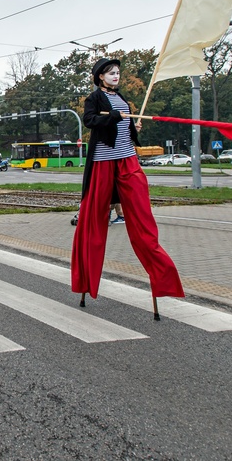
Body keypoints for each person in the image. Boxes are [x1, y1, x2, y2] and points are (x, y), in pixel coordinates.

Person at [71, 57, 184, 301]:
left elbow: (124, 125)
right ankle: (86, 281)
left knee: (142, 215)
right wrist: (113, 117)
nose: (116, 76)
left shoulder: (122, 99)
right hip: (103, 162)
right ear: (100, 76)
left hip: (128, 160)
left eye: (118, 72)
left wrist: (134, 127)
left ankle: (162, 278)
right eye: (111, 73)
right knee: (93, 219)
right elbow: (91, 121)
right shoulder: (95, 99)